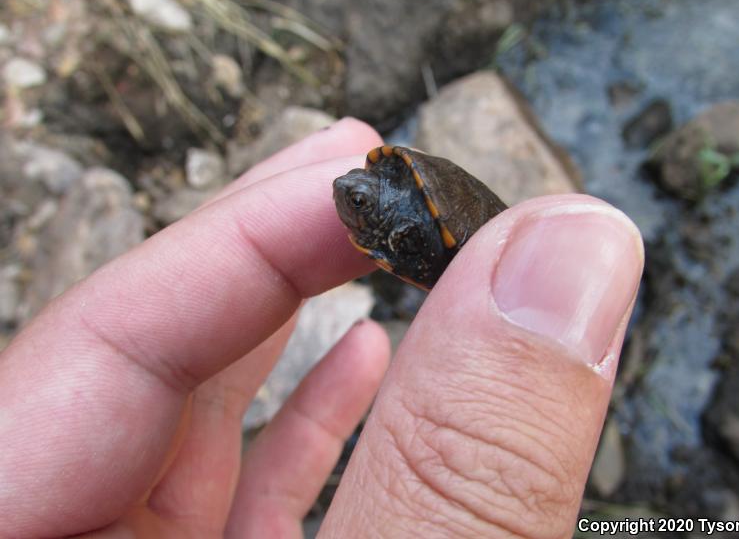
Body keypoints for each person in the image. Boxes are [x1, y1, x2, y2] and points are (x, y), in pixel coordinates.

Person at [0, 118, 644, 538]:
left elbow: (433, 231)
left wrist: (400, 235)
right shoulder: (380, 194)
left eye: (359, 200)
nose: (346, 190)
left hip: (472, 236)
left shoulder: (403, 207)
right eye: (356, 193)